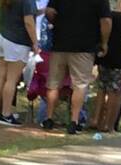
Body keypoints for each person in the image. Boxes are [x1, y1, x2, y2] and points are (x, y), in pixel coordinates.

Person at [42, 0, 111, 132]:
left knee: (53, 83)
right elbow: (106, 21)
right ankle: (74, 121)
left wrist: (56, 22)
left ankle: (48, 118)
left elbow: (49, 11)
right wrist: (105, 42)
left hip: (60, 43)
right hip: (84, 46)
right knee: (80, 85)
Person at [0, 0, 40, 124]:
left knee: (1, 76)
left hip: (3, 37)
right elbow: (28, 22)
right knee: (12, 79)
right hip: (17, 42)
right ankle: (6, 114)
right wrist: (35, 42)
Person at [92, 0, 121, 129]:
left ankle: (96, 120)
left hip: (104, 56)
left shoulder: (108, 15)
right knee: (115, 91)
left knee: (101, 88)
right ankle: (109, 124)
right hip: (119, 58)